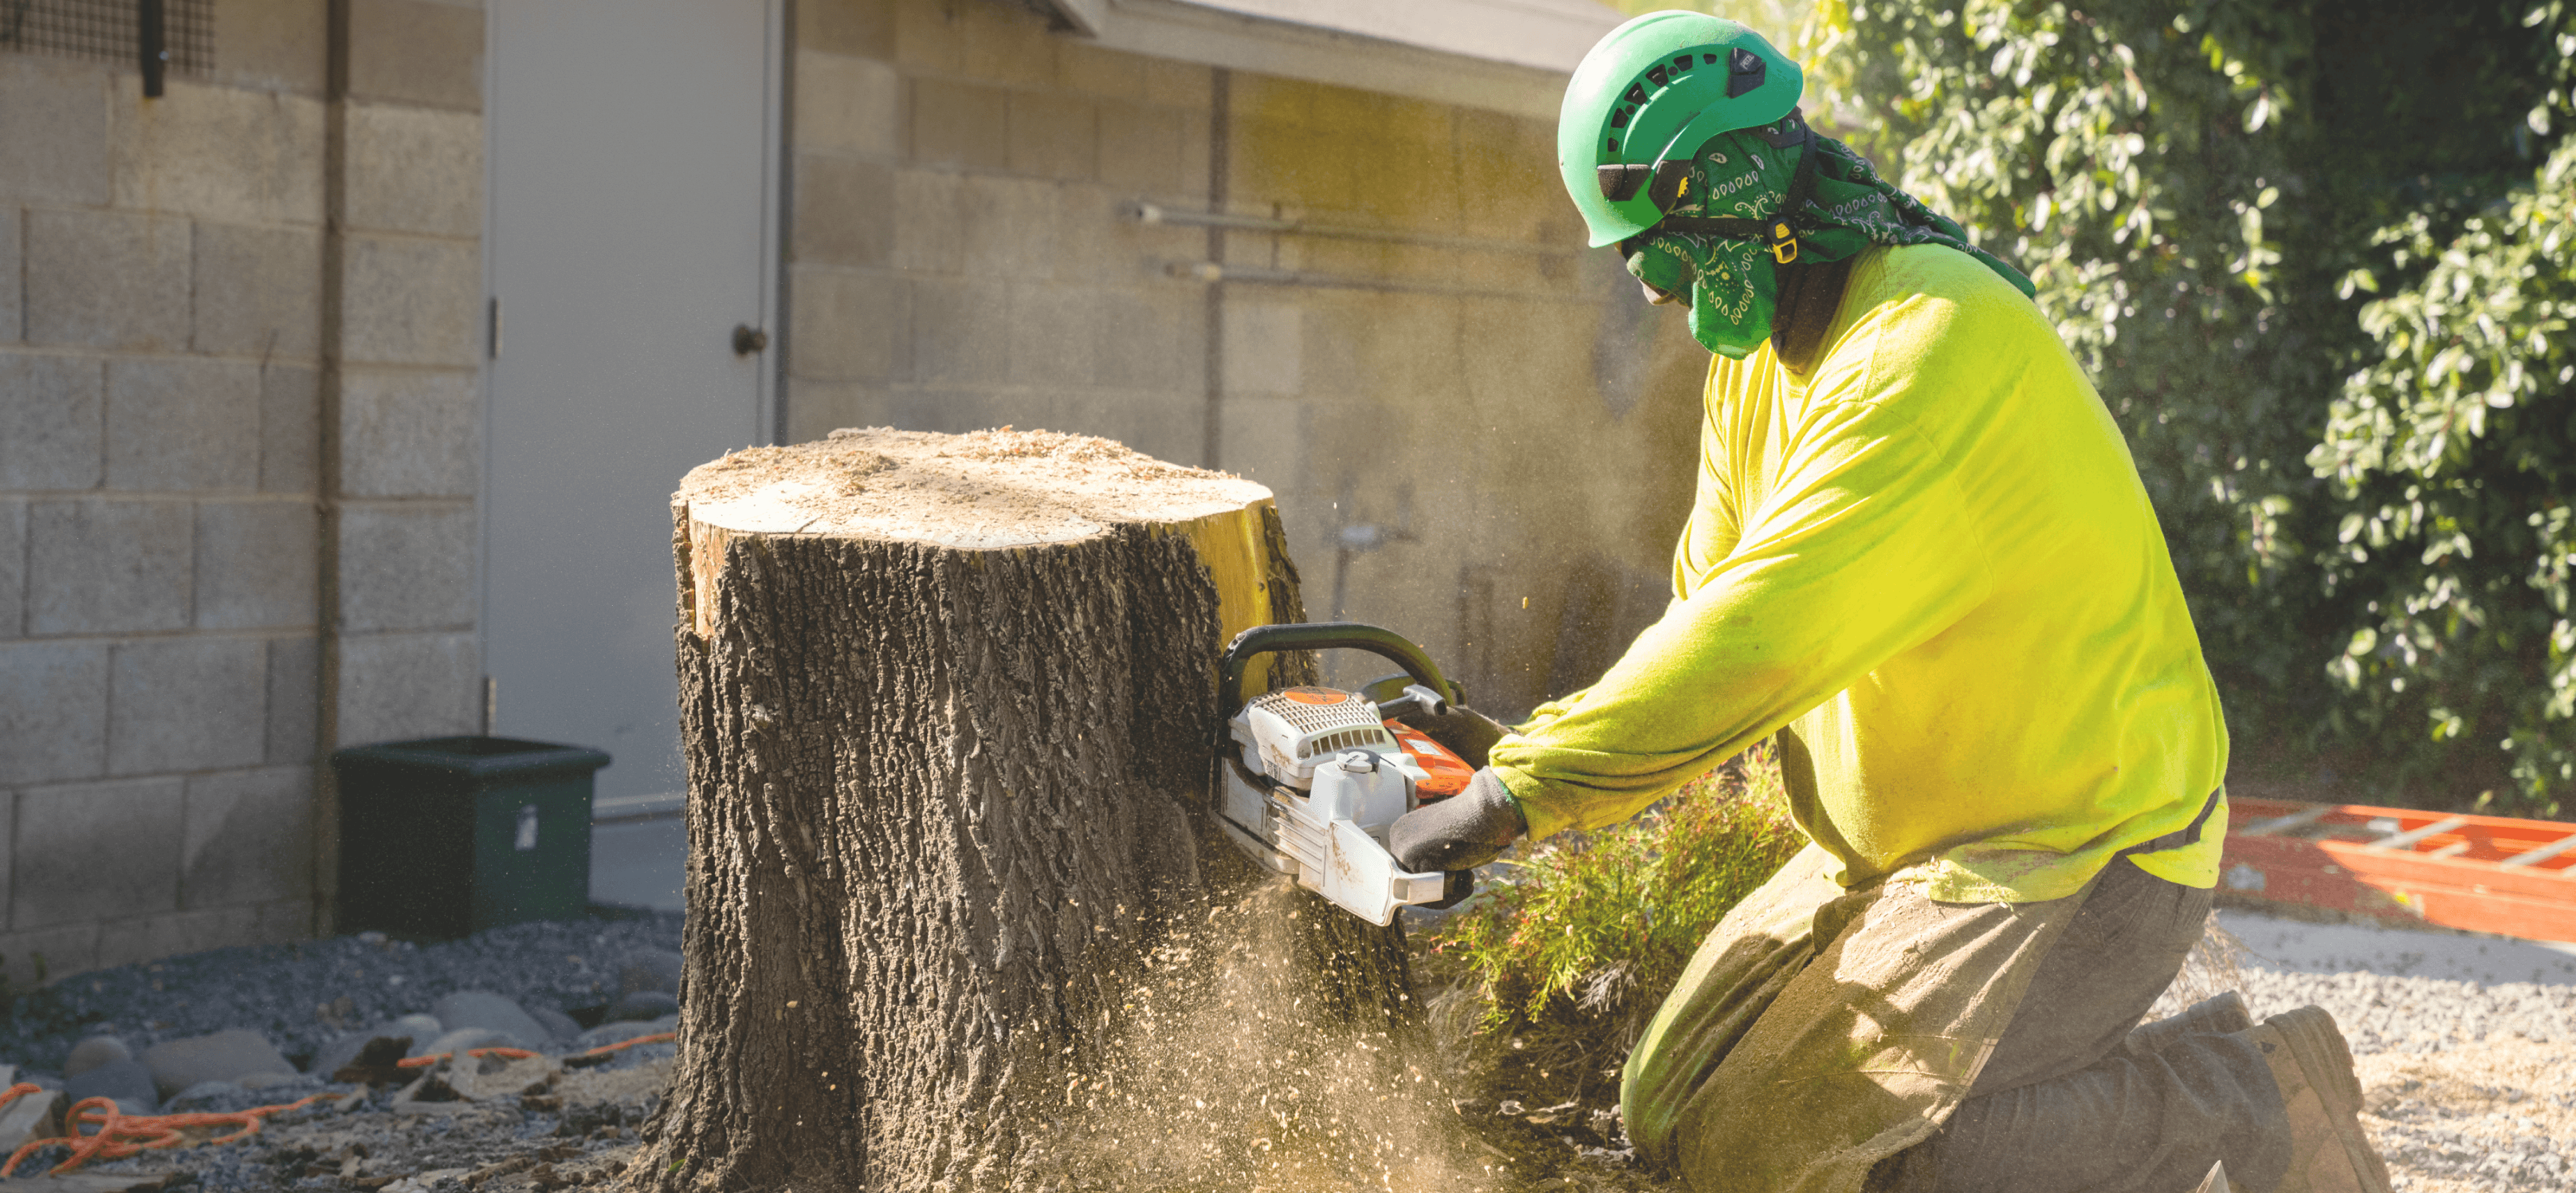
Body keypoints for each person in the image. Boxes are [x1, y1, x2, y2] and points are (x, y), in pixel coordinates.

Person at [1386, 12, 2393, 1192]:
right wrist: (1527, 749)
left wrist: (1529, 796)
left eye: (1654, 244)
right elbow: (1706, 606)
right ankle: (2121, 1092)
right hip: (1909, 848)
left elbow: (1764, 631)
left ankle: (2243, 1096)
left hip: (2084, 847)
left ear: (1730, 186)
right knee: (1667, 1103)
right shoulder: (1759, 364)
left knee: (1814, 1151)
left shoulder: (1925, 347)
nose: (1651, 286)